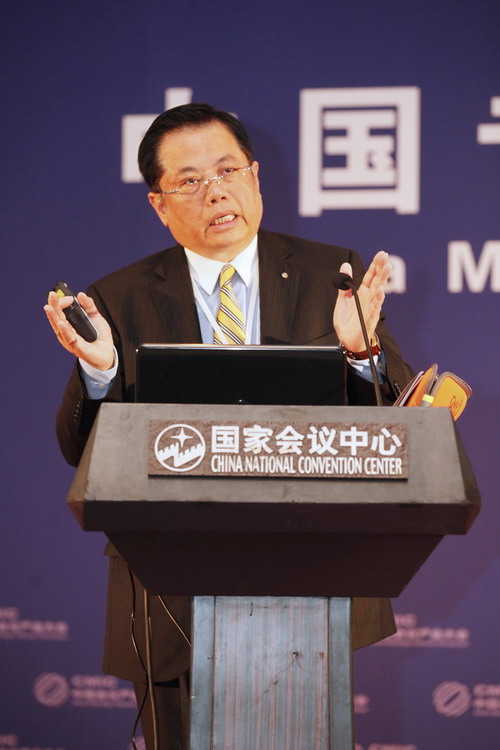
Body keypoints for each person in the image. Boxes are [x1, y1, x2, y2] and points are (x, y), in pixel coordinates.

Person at [45, 103, 414, 749]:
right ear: (159, 205)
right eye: (189, 181)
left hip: (310, 574)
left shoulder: (332, 275)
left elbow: (394, 421)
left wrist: (361, 353)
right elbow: (83, 450)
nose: (215, 191)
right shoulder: (117, 300)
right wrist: (102, 374)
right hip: (167, 590)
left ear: (255, 176)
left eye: (227, 170)